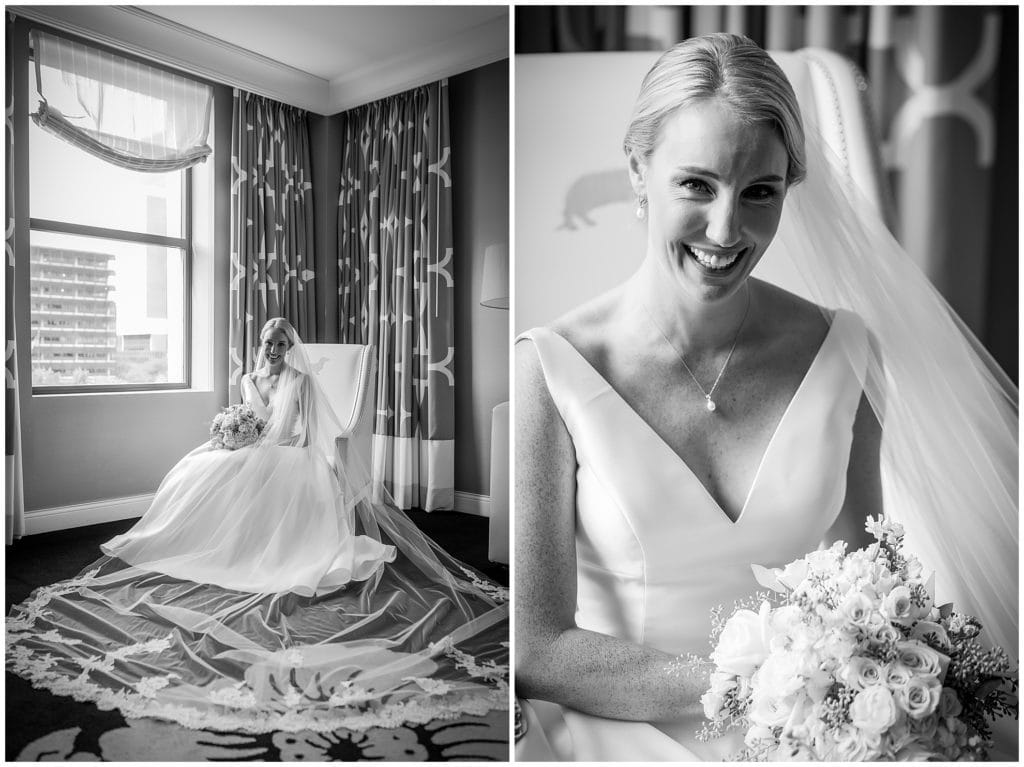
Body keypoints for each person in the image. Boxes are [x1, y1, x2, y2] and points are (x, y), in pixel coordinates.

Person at [515, 34, 1017, 761]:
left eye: (760, 192)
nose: (727, 230)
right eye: (696, 184)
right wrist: (762, 680)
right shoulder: (552, 368)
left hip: (811, 731)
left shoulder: (846, 352)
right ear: (637, 170)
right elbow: (538, 647)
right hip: (619, 727)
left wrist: (836, 701)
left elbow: (859, 588)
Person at [7, 317, 509, 734]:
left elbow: (308, 433)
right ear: (260, 345)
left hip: (295, 453)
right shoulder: (249, 380)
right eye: (267, 343)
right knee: (198, 466)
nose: (272, 350)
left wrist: (271, 447)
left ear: (291, 349)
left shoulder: (302, 381)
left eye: (281, 344)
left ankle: (272, 546)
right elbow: (249, 417)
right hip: (256, 448)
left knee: (274, 475)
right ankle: (203, 538)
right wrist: (235, 437)